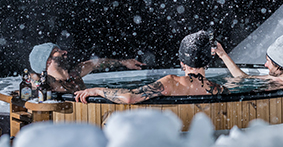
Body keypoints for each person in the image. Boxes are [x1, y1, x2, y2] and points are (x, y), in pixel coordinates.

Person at [75, 31, 228, 104]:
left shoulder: (172, 83)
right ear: (208, 62)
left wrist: (96, 90)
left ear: (182, 63)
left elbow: (129, 98)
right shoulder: (219, 89)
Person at [28, 42, 144, 93]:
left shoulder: (74, 73)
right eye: (57, 51)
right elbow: (34, 82)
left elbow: (95, 63)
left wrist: (124, 63)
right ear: (48, 60)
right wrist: (33, 81)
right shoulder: (50, 82)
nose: (64, 52)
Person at [213, 33, 283, 87]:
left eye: (268, 61)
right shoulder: (274, 77)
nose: (265, 65)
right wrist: (222, 54)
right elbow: (243, 78)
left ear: (279, 65)